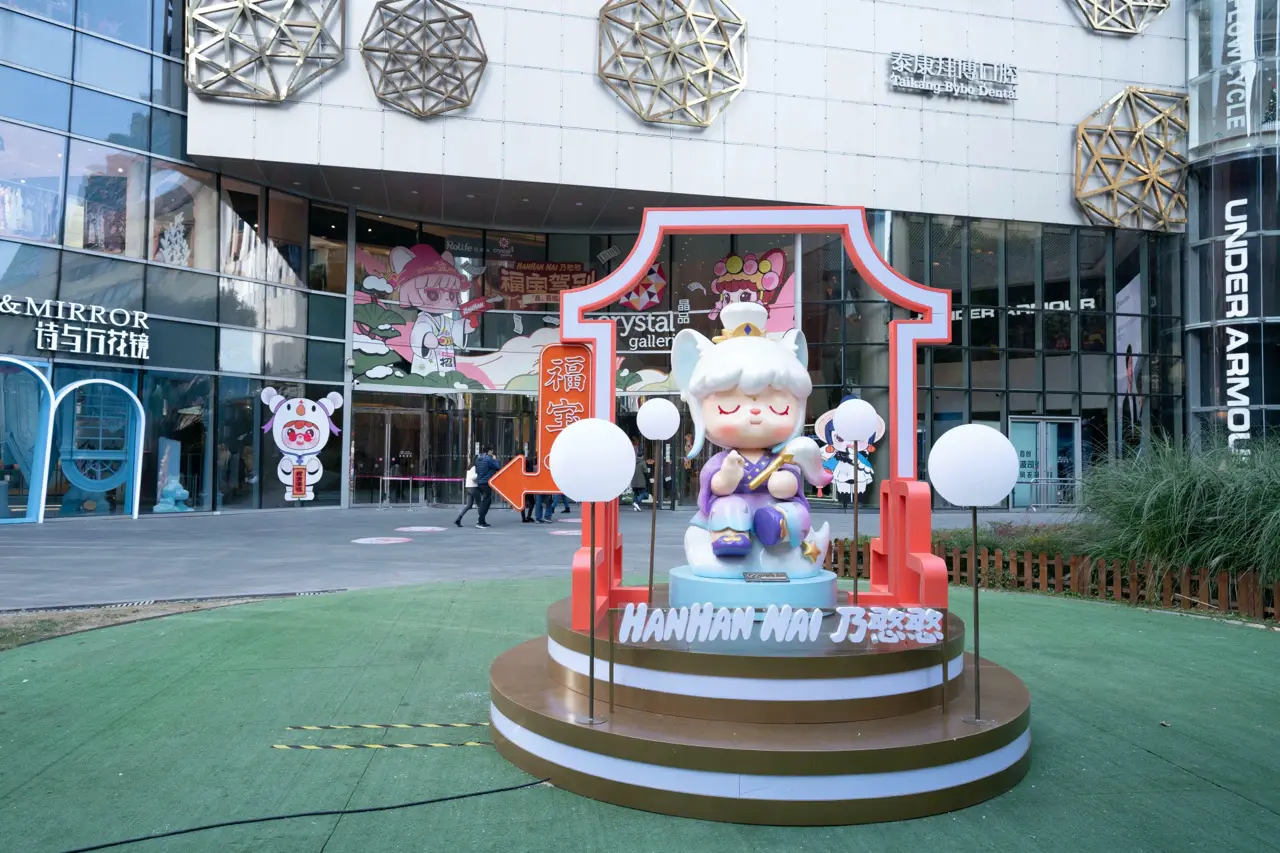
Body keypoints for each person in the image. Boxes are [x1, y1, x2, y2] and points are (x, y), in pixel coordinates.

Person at [473, 446, 500, 528]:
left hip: (480, 482)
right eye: (492, 451)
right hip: (486, 482)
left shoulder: (478, 458)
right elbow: (497, 467)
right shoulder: (488, 459)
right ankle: (480, 521)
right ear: (489, 451)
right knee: (486, 502)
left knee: (487, 501)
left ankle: (482, 521)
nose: (492, 453)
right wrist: (495, 459)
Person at [453, 463, 478, 527]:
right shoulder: (474, 467)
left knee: (469, 505)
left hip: (468, 487)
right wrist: (479, 474)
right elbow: (473, 477)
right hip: (473, 487)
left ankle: (458, 518)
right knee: (480, 505)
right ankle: (480, 521)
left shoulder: (469, 468)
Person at [631, 440, 649, 512]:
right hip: (641, 481)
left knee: (635, 493)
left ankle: (636, 506)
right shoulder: (643, 462)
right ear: (642, 456)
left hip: (634, 481)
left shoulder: (633, 462)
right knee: (644, 493)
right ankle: (637, 502)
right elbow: (645, 471)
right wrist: (647, 479)